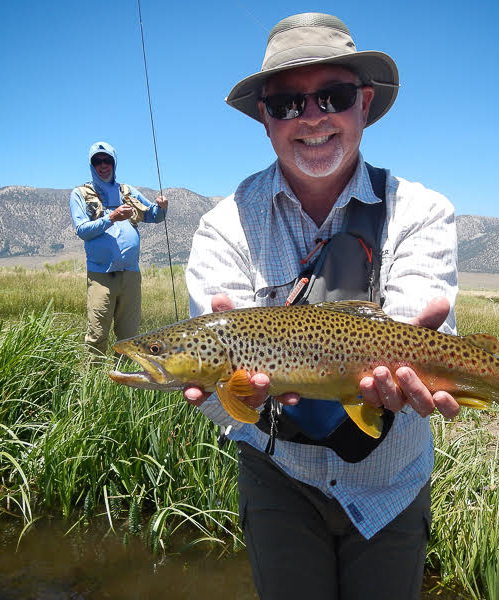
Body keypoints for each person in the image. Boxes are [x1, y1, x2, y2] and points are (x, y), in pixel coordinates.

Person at [183, 12, 459, 600]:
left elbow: (415, 326)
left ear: (363, 103)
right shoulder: (223, 225)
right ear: (264, 116)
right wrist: (234, 402)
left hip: (392, 482)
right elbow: (209, 390)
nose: (311, 118)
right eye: (286, 103)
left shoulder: (421, 211)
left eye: (331, 96)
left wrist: (403, 364)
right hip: (277, 474)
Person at [69, 141, 168, 356]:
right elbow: (82, 230)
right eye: (97, 161)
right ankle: (94, 382)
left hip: (130, 275)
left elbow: (153, 216)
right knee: (97, 335)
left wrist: (162, 207)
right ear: (91, 165)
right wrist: (111, 218)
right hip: (100, 275)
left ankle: (123, 381)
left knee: (129, 337)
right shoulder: (80, 194)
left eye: (107, 160)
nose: (103, 165)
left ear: (114, 163)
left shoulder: (127, 192)